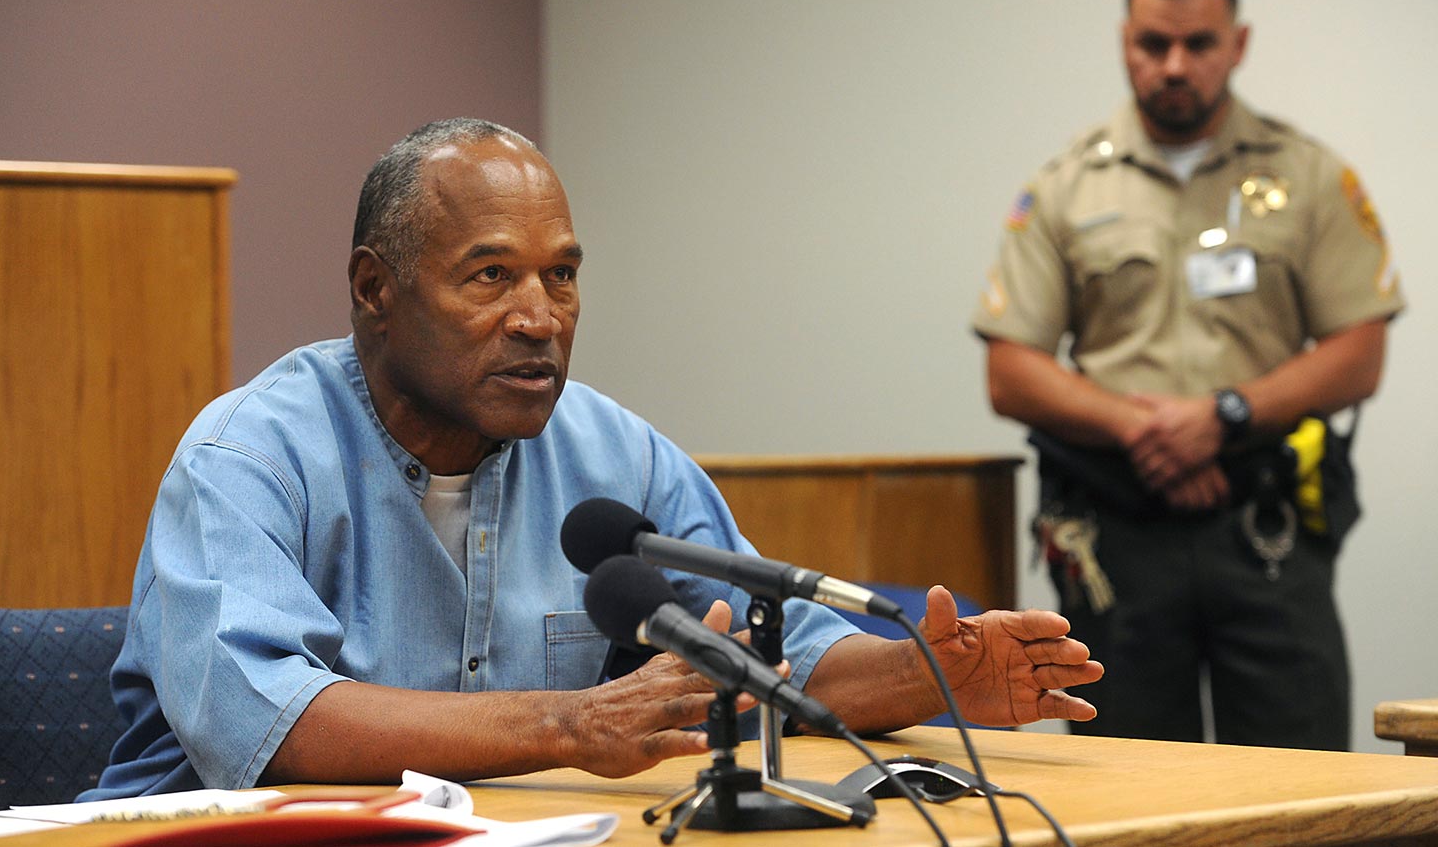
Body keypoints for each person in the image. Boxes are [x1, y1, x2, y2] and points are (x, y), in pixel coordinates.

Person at [84, 118, 1102, 799]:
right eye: (491, 276)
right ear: (374, 289)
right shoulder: (248, 456)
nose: (539, 319)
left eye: (561, 276)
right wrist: (570, 724)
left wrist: (928, 675)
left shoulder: (615, 453)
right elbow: (271, 723)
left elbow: (766, 647)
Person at [973, 0, 1402, 751]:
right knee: (1125, 797)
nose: (1174, 65)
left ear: (1236, 44)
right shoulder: (1067, 186)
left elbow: (1359, 348)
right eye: (1152, 44)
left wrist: (1225, 416)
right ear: (1123, 40)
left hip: (1267, 533)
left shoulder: (1307, 175)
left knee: (1301, 797)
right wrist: (1143, 427)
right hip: (1116, 541)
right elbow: (1010, 369)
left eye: (1198, 44)